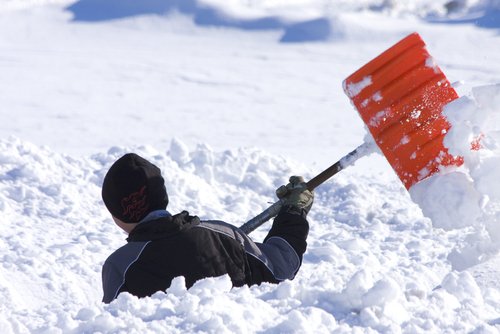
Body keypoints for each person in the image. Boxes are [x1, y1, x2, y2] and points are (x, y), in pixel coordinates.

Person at [101, 153, 314, 303]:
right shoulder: (224, 236)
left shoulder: (119, 266)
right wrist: (294, 211)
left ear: (116, 214)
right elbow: (282, 266)